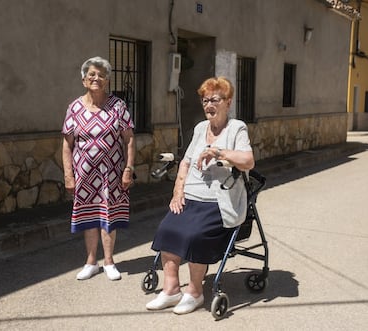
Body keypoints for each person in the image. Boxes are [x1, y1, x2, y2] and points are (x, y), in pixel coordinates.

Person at [146, 76, 254, 314]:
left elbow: (248, 161)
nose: (208, 105)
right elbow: (185, 162)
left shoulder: (237, 128)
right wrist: (178, 190)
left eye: (214, 99)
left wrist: (218, 152)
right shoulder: (199, 128)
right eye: (205, 100)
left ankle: (195, 293)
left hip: (219, 201)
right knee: (167, 229)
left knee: (195, 236)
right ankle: (171, 289)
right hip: (191, 197)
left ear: (228, 101)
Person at [62, 56, 135, 281]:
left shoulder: (118, 106)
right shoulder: (74, 108)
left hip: (110, 174)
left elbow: (129, 140)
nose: (96, 78)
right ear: (84, 80)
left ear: (108, 81)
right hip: (84, 175)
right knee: (89, 217)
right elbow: (66, 144)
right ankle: (91, 262)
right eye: (92, 74)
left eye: (101, 75)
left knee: (109, 216)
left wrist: (128, 169)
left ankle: (110, 262)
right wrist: (68, 175)